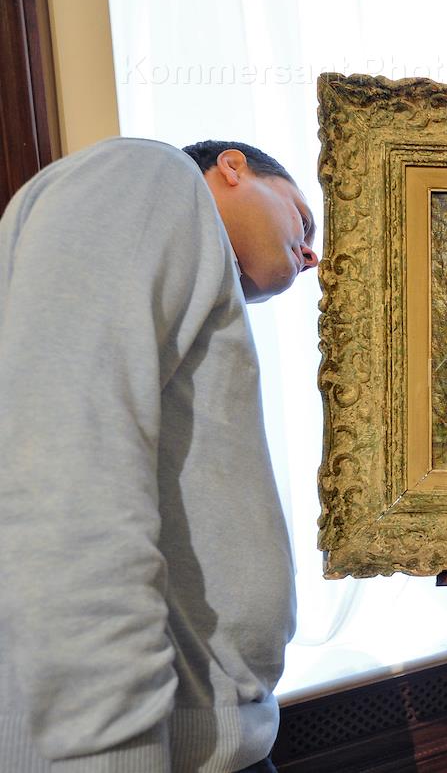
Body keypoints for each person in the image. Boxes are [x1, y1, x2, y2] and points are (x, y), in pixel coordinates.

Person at [0, 137, 318, 772]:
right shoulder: (147, 175)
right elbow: (66, 467)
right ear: (233, 167)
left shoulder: (183, 262)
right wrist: (110, 749)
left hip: (206, 742)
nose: (312, 254)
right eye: (302, 220)